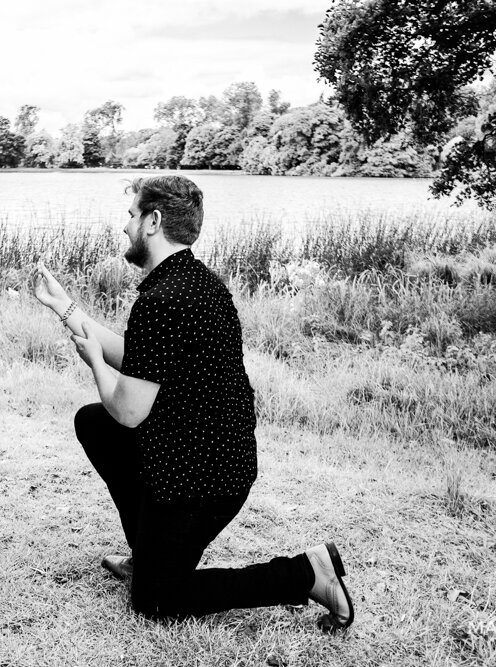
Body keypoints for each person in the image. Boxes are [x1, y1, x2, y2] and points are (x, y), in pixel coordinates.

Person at [33, 175, 354, 628]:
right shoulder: (194, 282)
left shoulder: (164, 299)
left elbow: (128, 410)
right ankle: (148, 554)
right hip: (199, 455)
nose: (125, 227)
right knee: (93, 422)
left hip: (203, 477)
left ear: (153, 221)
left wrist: (94, 363)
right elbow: (140, 355)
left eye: (131, 215)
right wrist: (65, 307)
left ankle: (306, 573)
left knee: (157, 600)